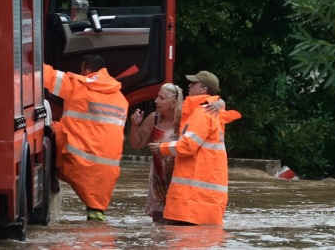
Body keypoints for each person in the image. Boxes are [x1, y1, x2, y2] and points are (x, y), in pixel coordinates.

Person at [148, 70, 241, 226]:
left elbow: (188, 146)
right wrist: (220, 102)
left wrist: (161, 148)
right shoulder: (209, 111)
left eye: (194, 83)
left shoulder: (202, 112)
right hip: (203, 202)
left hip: (191, 203)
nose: (189, 85)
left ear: (203, 89)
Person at [44, 54, 128, 221]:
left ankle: (51, 177)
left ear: (86, 70)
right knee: (95, 210)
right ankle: (95, 223)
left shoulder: (79, 86)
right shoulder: (121, 98)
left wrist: (26, 60)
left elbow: (48, 76)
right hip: (108, 169)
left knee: (53, 129)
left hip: (79, 160)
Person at [130, 83, 225, 222]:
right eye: (157, 97)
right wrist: (134, 125)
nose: (156, 101)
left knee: (175, 216)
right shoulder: (154, 118)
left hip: (179, 176)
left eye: (161, 98)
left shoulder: (186, 118)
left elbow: (210, 105)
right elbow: (136, 144)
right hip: (158, 174)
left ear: (173, 103)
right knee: (158, 216)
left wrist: (220, 102)